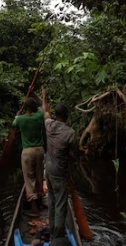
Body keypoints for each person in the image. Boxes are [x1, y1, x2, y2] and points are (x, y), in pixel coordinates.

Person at [41, 88, 78, 240]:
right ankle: (58, 233)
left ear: (56, 115)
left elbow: (45, 111)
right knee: (61, 203)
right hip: (59, 172)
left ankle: (52, 227)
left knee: (51, 198)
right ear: (67, 116)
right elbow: (74, 155)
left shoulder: (49, 125)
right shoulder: (70, 133)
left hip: (48, 170)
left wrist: (44, 98)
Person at [13, 96, 45, 217]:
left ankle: (34, 209)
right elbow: (42, 105)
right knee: (39, 175)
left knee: (29, 178)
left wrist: (17, 115)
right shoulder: (39, 115)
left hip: (27, 152)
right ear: (35, 107)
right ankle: (41, 202)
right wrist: (34, 93)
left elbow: (13, 124)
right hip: (39, 150)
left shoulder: (20, 119)